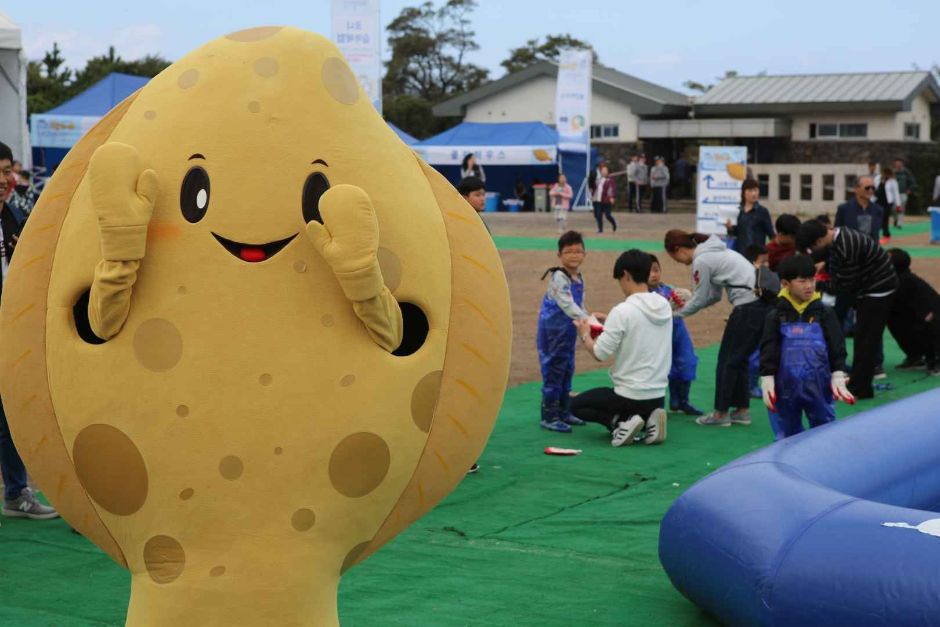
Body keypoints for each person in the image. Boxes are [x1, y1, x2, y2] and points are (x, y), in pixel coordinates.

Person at [0, 142, 59, 520]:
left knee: (11, 412)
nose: (9, 180)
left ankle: (16, 492)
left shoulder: (14, 214)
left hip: (9, 332)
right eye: (2, 171)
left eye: (11, 172)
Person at [664, 229, 771, 427]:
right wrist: (690, 303)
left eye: (674, 257)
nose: (678, 262)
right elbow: (713, 296)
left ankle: (721, 414)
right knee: (738, 360)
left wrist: (673, 315)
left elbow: (701, 298)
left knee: (727, 361)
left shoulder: (702, 260)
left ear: (677, 249)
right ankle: (741, 411)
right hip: (759, 306)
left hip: (747, 308)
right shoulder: (716, 251)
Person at [570, 249, 672, 446]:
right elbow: (639, 327)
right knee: (635, 404)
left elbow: (600, 353)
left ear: (625, 275)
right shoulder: (663, 305)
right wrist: (610, 322)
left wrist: (584, 333)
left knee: (576, 405)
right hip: (658, 394)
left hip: (629, 395)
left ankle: (620, 424)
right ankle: (650, 421)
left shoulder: (623, 310)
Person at [796, 220, 898, 399]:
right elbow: (838, 262)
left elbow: (843, 285)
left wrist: (813, 285)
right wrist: (825, 265)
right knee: (861, 336)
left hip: (878, 290)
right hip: (870, 286)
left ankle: (862, 389)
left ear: (818, 241)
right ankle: (858, 381)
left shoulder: (846, 245)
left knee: (866, 340)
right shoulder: (840, 235)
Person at [759, 254, 854, 440]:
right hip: (783, 387)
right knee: (785, 436)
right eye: (802, 281)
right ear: (785, 283)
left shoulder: (824, 313)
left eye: (812, 279)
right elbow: (768, 347)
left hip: (819, 385)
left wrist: (838, 373)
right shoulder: (776, 315)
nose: (809, 285)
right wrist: (767, 378)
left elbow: (836, 345)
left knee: (824, 434)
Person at [537, 231, 607, 433]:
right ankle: (549, 415)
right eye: (569, 252)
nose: (574, 255)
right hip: (553, 333)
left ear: (585, 254)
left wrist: (587, 317)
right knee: (554, 370)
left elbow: (579, 304)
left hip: (569, 330)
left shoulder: (578, 277)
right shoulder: (559, 277)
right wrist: (590, 320)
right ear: (559, 255)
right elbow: (568, 305)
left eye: (579, 251)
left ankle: (564, 410)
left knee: (567, 368)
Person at [648, 254, 702, 415]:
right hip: (658, 337)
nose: (654, 274)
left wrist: (688, 298)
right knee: (663, 369)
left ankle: (683, 401)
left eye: (656, 270)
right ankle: (665, 402)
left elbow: (685, 307)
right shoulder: (643, 295)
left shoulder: (669, 290)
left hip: (679, 333)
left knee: (687, 362)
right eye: (649, 271)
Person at [886, 248, 940, 376]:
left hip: (930, 315)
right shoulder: (893, 280)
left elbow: (931, 306)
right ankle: (915, 357)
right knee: (894, 321)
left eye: (887, 258)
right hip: (914, 315)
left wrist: (928, 316)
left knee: (926, 326)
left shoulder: (908, 281)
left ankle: (935, 359)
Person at [725, 179, 774, 254]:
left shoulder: (762, 211)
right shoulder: (739, 211)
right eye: (750, 191)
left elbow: (771, 234)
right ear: (744, 193)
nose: (754, 193)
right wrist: (730, 228)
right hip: (741, 254)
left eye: (755, 190)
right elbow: (737, 233)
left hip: (757, 255)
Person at [835, 176, 883, 241]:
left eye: (873, 188)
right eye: (867, 188)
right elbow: (837, 233)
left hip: (871, 249)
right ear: (856, 189)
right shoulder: (844, 209)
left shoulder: (878, 210)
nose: (870, 190)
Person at [591, 163, 617, 233]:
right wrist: (592, 195)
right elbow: (594, 188)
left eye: (605, 170)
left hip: (606, 200)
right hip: (597, 199)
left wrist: (611, 197)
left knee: (607, 215)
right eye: (602, 170)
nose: (604, 171)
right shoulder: (598, 179)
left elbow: (612, 189)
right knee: (598, 215)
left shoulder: (610, 180)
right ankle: (600, 229)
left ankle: (614, 223)